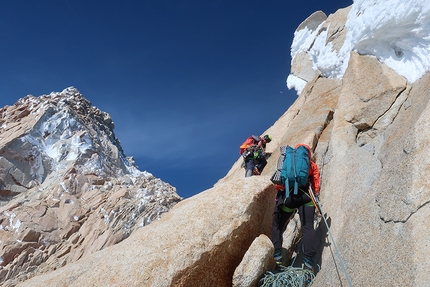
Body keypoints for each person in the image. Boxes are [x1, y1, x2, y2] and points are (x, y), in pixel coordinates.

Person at [271, 143, 320, 272]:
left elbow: (279, 184)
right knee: (308, 227)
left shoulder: (287, 162)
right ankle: (308, 263)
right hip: (306, 198)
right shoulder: (310, 164)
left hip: (289, 198)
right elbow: (316, 185)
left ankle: (277, 256)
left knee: (278, 225)